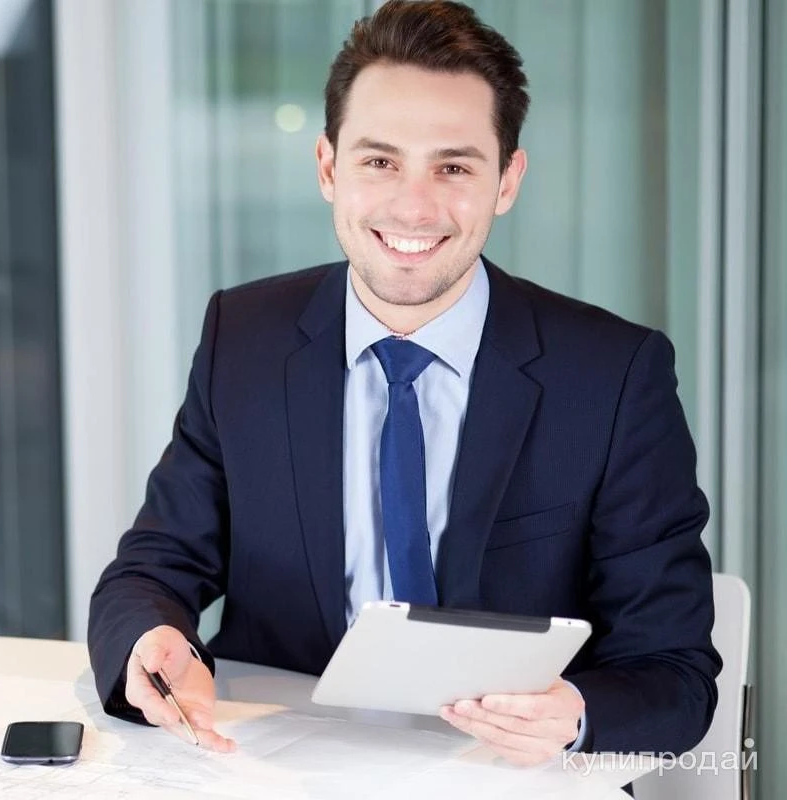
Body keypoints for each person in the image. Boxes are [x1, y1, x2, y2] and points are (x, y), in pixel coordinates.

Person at [88, 0, 721, 769]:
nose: (414, 206)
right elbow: (153, 567)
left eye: (453, 167)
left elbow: (677, 675)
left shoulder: (615, 375)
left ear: (507, 180)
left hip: (511, 777)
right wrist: (154, 641)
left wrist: (576, 714)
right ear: (328, 167)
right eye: (380, 161)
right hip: (280, 768)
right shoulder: (243, 338)